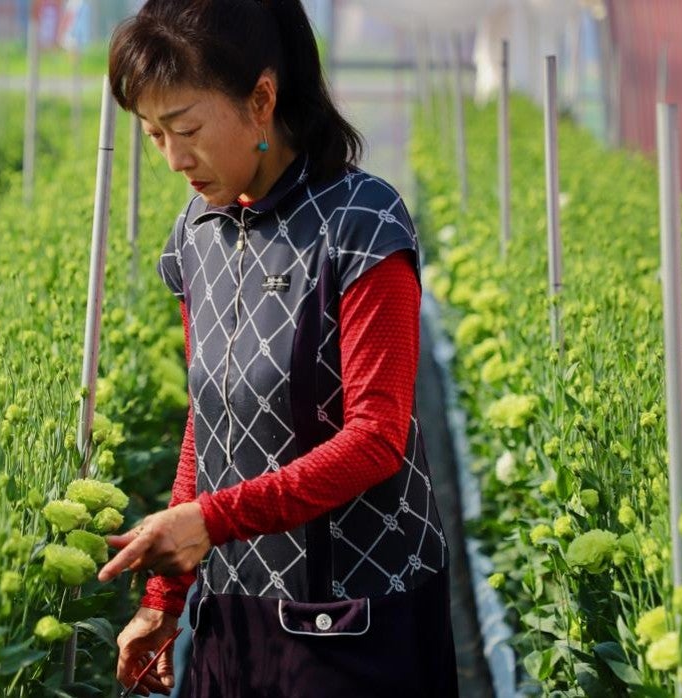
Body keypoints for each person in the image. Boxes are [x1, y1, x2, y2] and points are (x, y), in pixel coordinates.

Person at [95, 1, 457, 695]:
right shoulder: (198, 232)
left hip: (355, 628)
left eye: (187, 129)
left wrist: (212, 519)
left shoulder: (362, 223)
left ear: (262, 99)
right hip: (234, 619)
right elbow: (210, 422)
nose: (173, 159)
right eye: (152, 134)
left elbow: (377, 438)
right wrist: (165, 601)